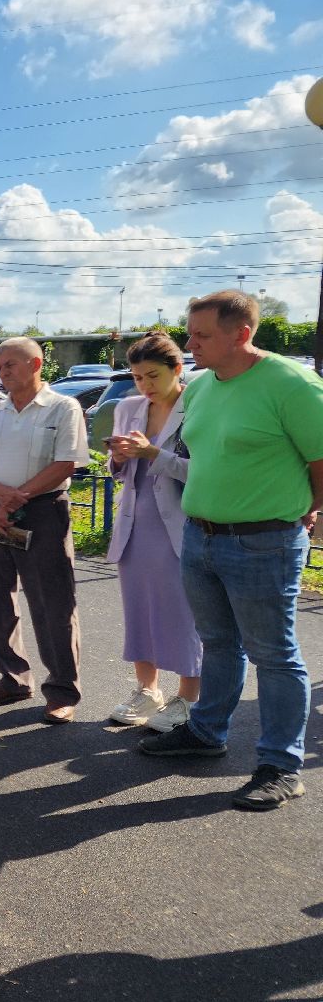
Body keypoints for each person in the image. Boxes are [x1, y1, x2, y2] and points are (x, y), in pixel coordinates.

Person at [140, 290, 323, 811]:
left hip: (264, 539)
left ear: (241, 334)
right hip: (202, 535)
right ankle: (206, 732)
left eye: (201, 336)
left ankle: (281, 765)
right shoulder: (201, 388)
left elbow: (321, 459)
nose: (188, 344)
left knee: (274, 654)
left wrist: (306, 510)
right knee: (218, 641)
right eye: (190, 333)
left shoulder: (293, 385)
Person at [0, 338, 90, 723]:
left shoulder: (63, 407)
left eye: (10, 365)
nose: (2, 372)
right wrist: (1, 499)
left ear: (36, 364)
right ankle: (12, 677)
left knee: (52, 603)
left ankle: (62, 691)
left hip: (43, 511)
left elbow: (66, 462)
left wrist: (16, 498)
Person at [104, 333, 201, 732]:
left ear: (178, 370)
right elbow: (120, 471)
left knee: (183, 612)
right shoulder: (127, 406)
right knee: (139, 609)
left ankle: (189, 698)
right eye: (137, 377)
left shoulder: (197, 406)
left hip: (179, 523)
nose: (144, 386)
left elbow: (204, 472)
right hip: (135, 523)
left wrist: (154, 455)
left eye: (153, 376)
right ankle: (147, 689)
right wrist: (118, 456)